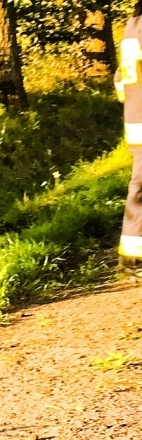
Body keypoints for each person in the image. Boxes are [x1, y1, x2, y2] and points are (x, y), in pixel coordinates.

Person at [117, 2, 142, 268]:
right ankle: (134, 257)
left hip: (136, 119)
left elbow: (119, 82)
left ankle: (133, 252)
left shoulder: (131, 28)